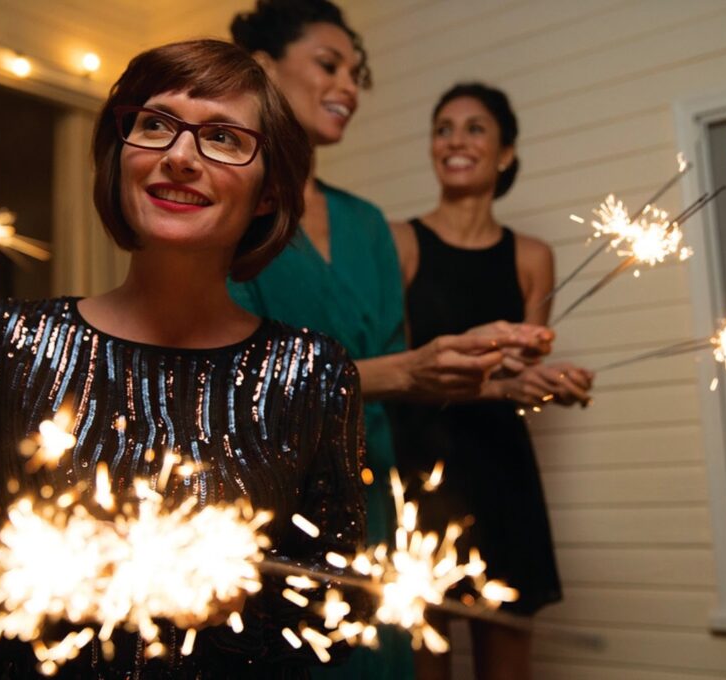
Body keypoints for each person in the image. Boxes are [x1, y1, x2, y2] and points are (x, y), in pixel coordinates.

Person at [0, 39, 365, 678]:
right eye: (155, 125)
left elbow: (335, 612)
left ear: (269, 193)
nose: (180, 156)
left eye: (224, 138)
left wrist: (241, 602)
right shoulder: (0, 343)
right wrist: (48, 582)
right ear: (119, 154)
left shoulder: (313, 373)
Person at [227, 5, 552, 678]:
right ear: (264, 67)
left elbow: (409, 377)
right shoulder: (228, 209)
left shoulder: (367, 223)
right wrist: (410, 371)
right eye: (329, 64)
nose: (349, 85)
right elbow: (232, 380)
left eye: (356, 72)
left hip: (377, 504)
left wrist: (489, 372)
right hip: (271, 512)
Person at [388, 83, 596, 680]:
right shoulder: (400, 242)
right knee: (423, 657)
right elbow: (401, 368)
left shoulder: (532, 255)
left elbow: (521, 373)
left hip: (502, 468)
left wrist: (553, 380)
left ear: (505, 153)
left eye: (474, 128)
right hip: (421, 467)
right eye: (444, 127)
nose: (455, 140)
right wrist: (504, 382)